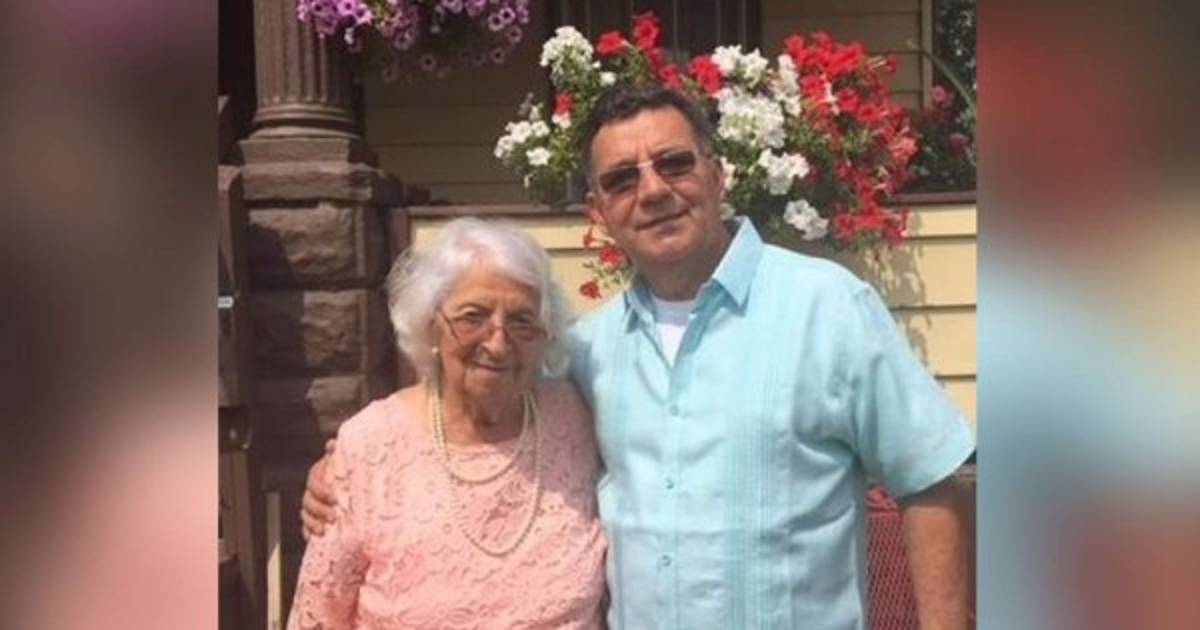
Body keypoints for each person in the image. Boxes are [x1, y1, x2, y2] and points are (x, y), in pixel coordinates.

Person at [304, 83, 975, 630]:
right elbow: (483, 404)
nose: (652, 190)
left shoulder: (828, 307)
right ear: (599, 210)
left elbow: (927, 481)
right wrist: (346, 464)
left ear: (717, 174)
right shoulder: (588, 352)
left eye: (674, 163)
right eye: (622, 179)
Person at [287, 218, 606, 630]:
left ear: (546, 336)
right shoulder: (370, 444)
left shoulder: (574, 416)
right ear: (431, 325)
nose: (498, 342)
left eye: (522, 320)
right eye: (473, 316)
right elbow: (318, 616)